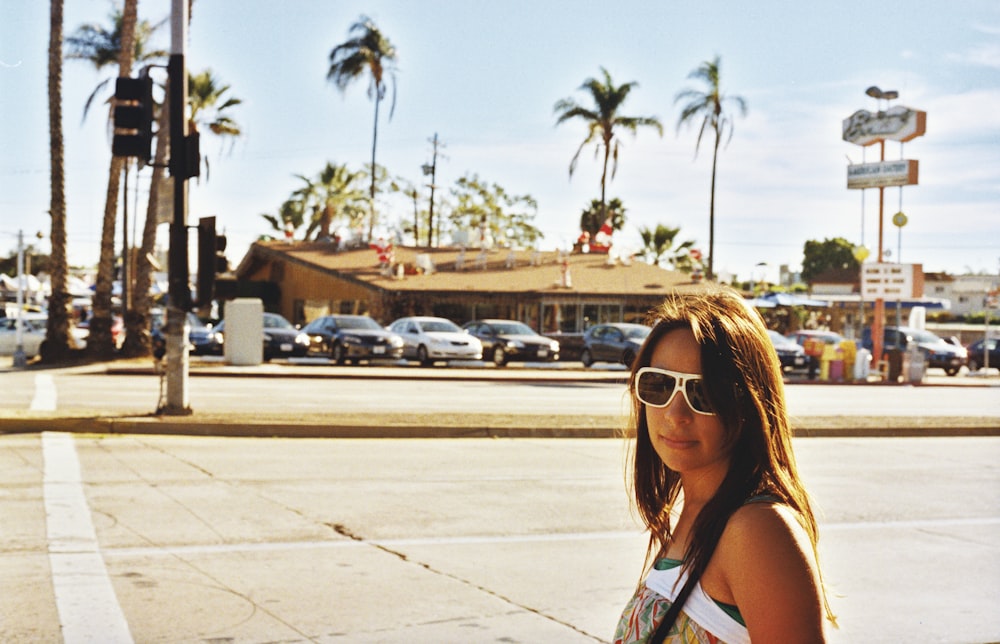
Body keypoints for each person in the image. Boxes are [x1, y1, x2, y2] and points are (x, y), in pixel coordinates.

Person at [614, 287, 836, 643]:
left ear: (748, 404)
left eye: (703, 393)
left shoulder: (756, 530)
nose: (675, 413)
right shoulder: (697, 510)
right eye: (658, 385)